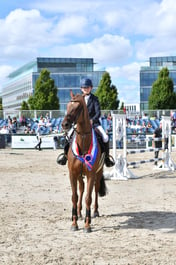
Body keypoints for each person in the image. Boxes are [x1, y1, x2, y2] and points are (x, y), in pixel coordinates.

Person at [57, 78, 115, 167]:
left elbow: (98, 113)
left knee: (105, 137)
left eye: (87, 87)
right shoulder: (78, 99)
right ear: (81, 89)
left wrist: (92, 120)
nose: (85, 89)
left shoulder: (95, 99)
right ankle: (65, 156)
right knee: (68, 136)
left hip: (94, 123)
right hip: (80, 124)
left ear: (91, 88)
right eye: (84, 87)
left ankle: (107, 158)